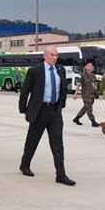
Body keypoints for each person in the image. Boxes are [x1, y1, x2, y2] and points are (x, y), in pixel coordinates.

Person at [18, 46, 75, 186]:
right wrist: (23, 109)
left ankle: (61, 174)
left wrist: (61, 105)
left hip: (54, 112)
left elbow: (62, 90)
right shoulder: (35, 71)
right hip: (39, 111)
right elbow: (25, 91)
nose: (54, 58)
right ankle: (25, 164)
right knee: (33, 140)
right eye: (51, 55)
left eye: (56, 55)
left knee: (57, 144)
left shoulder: (60, 70)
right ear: (45, 56)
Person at [72, 61, 100, 127]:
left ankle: (77, 118)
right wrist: (75, 94)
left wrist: (96, 93)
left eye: (91, 66)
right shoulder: (83, 75)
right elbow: (78, 85)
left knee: (86, 107)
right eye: (88, 65)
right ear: (85, 67)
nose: (90, 67)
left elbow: (94, 85)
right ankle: (93, 121)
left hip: (92, 94)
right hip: (86, 94)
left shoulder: (93, 75)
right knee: (89, 108)